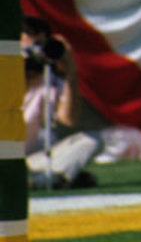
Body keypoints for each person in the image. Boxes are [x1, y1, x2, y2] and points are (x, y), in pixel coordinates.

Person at [22, 16, 101, 190]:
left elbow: (68, 119)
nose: (34, 55)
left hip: (28, 161)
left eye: (40, 47)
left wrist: (71, 73)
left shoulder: (50, 82)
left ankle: (43, 180)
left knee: (91, 140)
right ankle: (54, 179)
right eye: (30, 48)